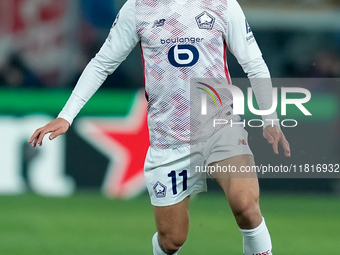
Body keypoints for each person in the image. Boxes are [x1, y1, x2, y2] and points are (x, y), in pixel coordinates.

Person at [29, 0, 291, 254]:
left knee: (245, 205)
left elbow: (253, 62)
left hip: (219, 127)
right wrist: (67, 115)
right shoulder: (137, 8)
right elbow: (102, 63)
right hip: (170, 140)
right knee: (172, 240)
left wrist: (270, 118)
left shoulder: (222, 4)